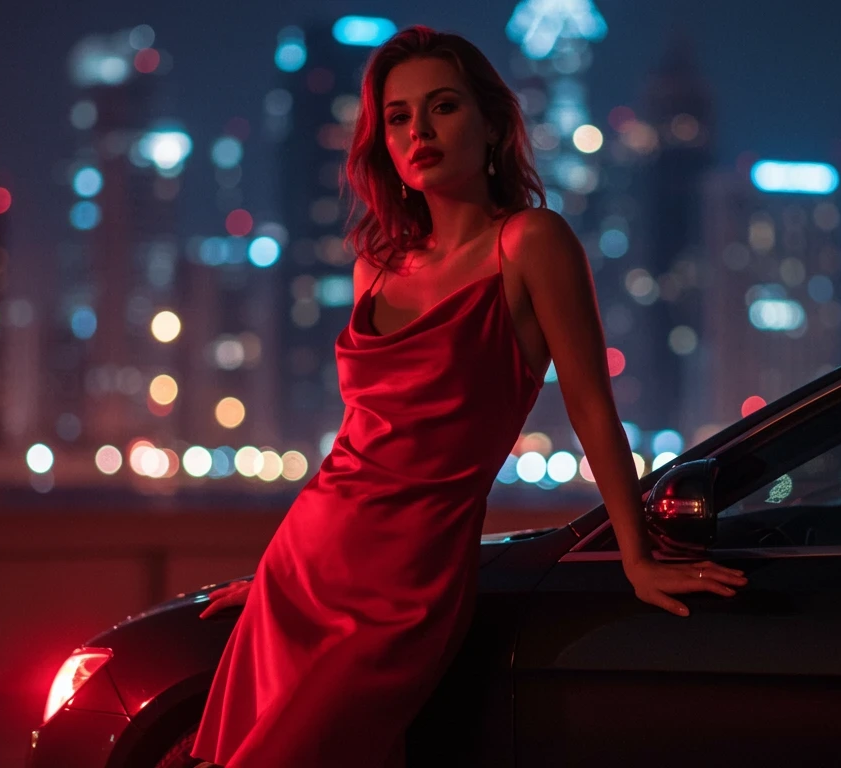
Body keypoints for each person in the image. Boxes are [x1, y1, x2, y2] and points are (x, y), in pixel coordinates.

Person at [189, 25, 747, 767]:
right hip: (306, 559)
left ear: (491, 123)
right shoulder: (375, 266)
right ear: (381, 141)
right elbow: (359, 442)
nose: (418, 130)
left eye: (442, 107)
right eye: (397, 116)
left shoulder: (531, 242)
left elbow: (590, 408)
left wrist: (636, 555)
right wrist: (271, 574)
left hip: (407, 586)